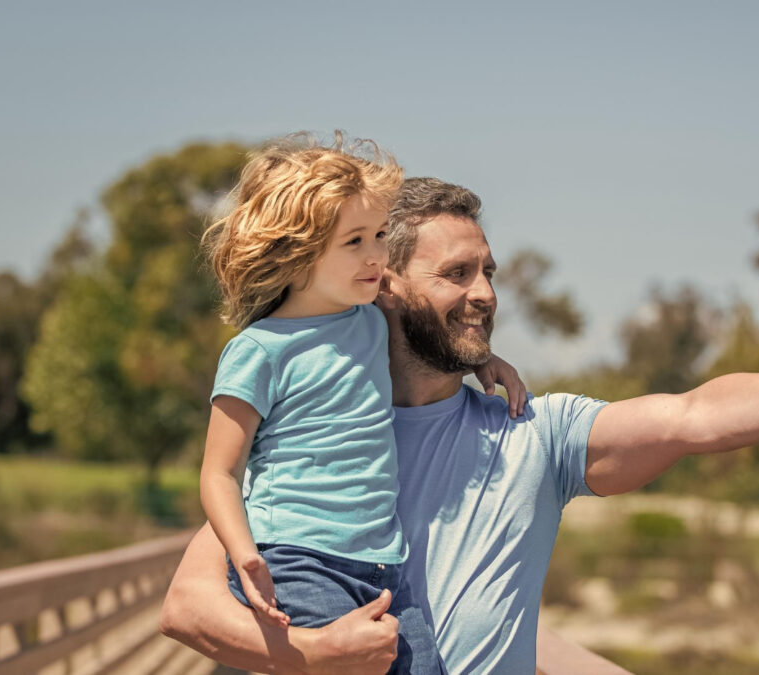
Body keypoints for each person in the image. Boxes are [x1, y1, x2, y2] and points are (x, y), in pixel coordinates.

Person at [162, 176, 759, 674]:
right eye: (456, 273)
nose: (484, 293)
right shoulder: (303, 443)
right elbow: (191, 605)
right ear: (381, 284)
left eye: (489, 273)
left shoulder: (532, 431)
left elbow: (698, 415)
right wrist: (313, 655)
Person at [197, 142, 524, 675]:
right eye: (355, 242)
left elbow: (434, 333)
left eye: (378, 237)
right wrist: (244, 554)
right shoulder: (258, 351)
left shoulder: (370, 317)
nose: (377, 256)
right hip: (296, 559)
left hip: (381, 563)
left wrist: (483, 362)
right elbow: (218, 472)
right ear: (295, 252)